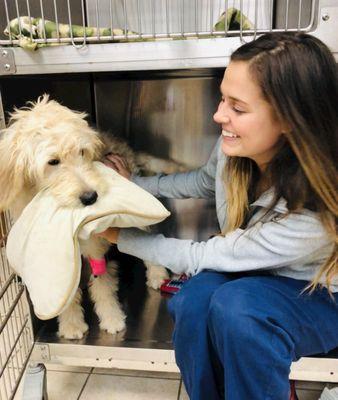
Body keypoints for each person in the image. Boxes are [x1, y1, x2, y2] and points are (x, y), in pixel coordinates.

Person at [98, 32, 338, 400]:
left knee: (239, 308)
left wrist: (117, 236)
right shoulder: (234, 148)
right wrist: (134, 185)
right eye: (222, 98)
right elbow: (204, 182)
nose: (218, 115)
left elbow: (202, 256)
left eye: (238, 108)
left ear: (292, 118)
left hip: (319, 293)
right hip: (254, 276)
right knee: (195, 300)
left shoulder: (317, 210)